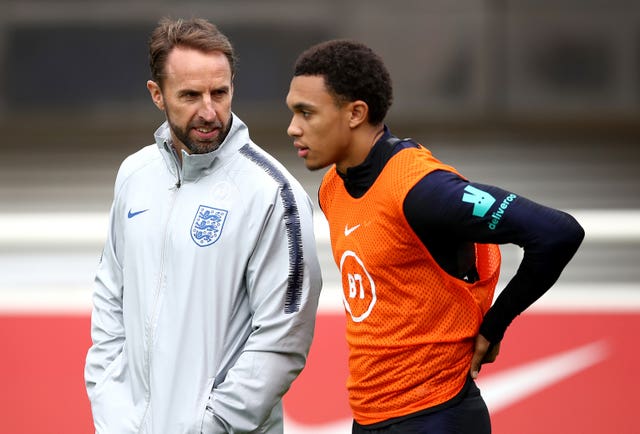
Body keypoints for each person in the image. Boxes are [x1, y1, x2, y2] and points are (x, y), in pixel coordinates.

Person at [285, 39, 584, 434]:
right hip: (369, 417)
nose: (293, 127)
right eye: (292, 112)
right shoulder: (331, 188)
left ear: (356, 112)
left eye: (307, 113)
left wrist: (496, 324)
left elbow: (557, 232)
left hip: (437, 416)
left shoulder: (421, 189)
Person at [84, 17, 322, 434]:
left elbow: (282, 340)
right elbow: (110, 300)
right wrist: (113, 411)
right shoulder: (135, 174)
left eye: (220, 92)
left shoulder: (272, 193)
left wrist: (211, 425)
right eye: (190, 95)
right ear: (157, 95)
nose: (209, 111)